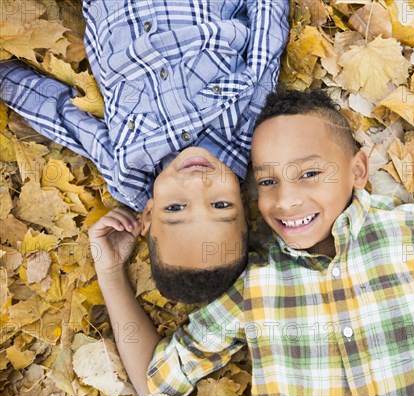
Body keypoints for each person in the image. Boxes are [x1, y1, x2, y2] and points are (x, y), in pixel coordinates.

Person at [89, 90, 414, 396]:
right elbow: (157, 383)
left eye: (310, 173)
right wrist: (110, 272)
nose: (285, 199)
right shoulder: (254, 289)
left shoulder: (412, 234)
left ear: (358, 171)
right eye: (267, 180)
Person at [0, 0, 289, 303]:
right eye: (220, 205)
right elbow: (265, 47)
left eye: (175, 208)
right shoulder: (250, 130)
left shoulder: (127, 173)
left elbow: (63, 118)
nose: (197, 184)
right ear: (244, 207)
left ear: (148, 214)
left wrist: (5, 78)